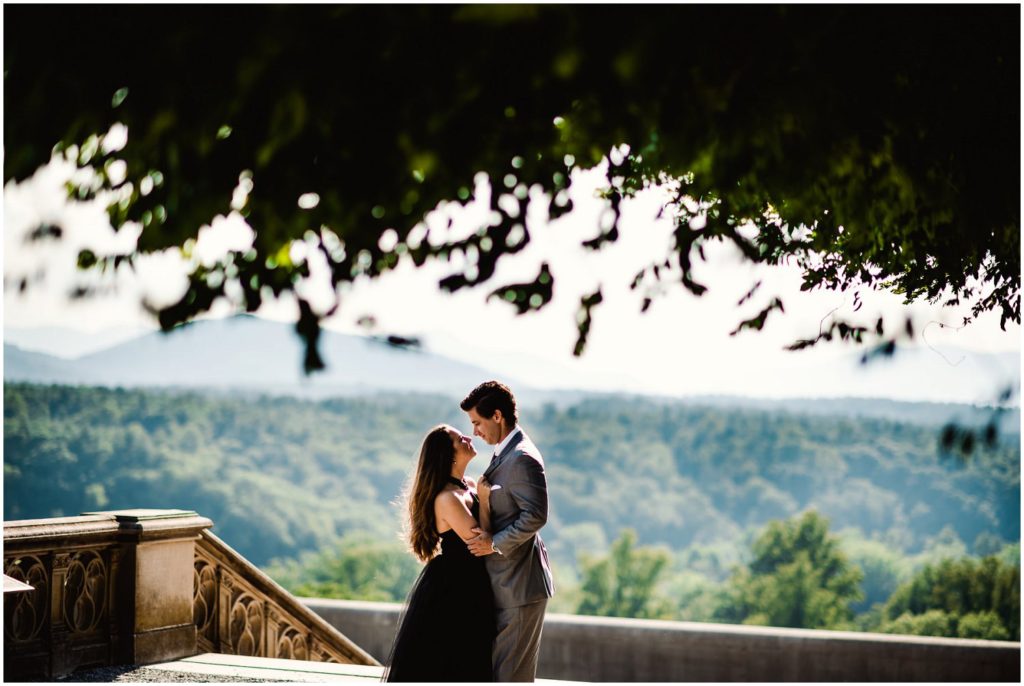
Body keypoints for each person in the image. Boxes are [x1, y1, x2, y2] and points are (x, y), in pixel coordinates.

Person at [383, 424, 496, 682]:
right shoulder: (446, 498)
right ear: (449, 455)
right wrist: (486, 502)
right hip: (452, 590)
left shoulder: (466, 485)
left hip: (471, 584)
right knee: (450, 664)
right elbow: (481, 543)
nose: (468, 437)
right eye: (459, 439)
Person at [461, 380, 554, 682]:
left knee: (511, 677)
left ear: (497, 416)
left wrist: (494, 543)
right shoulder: (505, 452)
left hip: (520, 586)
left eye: (477, 422)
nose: (475, 431)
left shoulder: (522, 458)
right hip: (506, 584)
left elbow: (536, 516)